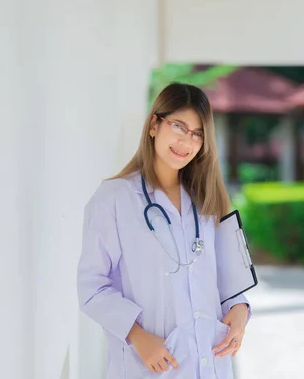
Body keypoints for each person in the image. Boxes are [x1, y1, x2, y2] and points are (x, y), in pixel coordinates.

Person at [77, 83, 251, 379]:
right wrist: (137, 336)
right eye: (179, 127)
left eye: (198, 134)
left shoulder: (208, 199)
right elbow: (92, 287)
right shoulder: (115, 198)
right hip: (149, 366)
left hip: (210, 363)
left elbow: (227, 279)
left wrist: (240, 310)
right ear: (155, 125)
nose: (187, 141)